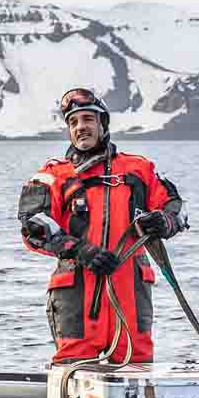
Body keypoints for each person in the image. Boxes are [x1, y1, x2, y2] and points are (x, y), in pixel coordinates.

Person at [18, 87, 186, 365]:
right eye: (73, 122)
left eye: (87, 119)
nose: (80, 127)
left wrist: (164, 221)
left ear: (102, 124)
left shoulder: (139, 170)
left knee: (138, 367)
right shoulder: (53, 175)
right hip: (76, 293)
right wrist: (81, 251)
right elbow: (33, 224)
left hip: (131, 291)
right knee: (72, 370)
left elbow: (178, 209)